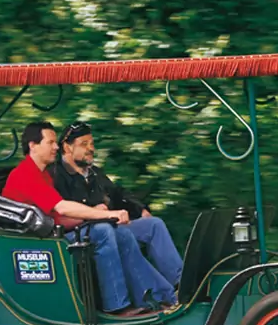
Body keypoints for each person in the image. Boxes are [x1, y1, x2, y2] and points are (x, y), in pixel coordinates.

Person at [2, 121, 177, 315]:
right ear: (33, 145)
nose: (56, 146)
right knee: (103, 231)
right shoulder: (26, 174)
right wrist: (105, 215)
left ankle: (159, 298)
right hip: (37, 243)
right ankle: (117, 306)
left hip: (53, 233)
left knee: (122, 233)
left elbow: (58, 217)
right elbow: (62, 207)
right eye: (50, 142)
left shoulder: (44, 175)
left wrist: (102, 217)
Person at [49, 121, 184, 292]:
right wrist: (96, 214)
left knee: (154, 225)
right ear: (67, 148)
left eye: (92, 143)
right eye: (84, 144)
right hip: (85, 233)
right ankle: (160, 295)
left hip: (112, 224)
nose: (90, 148)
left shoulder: (94, 173)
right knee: (120, 234)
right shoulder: (56, 175)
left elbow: (119, 194)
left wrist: (140, 209)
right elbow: (62, 212)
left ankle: (181, 284)